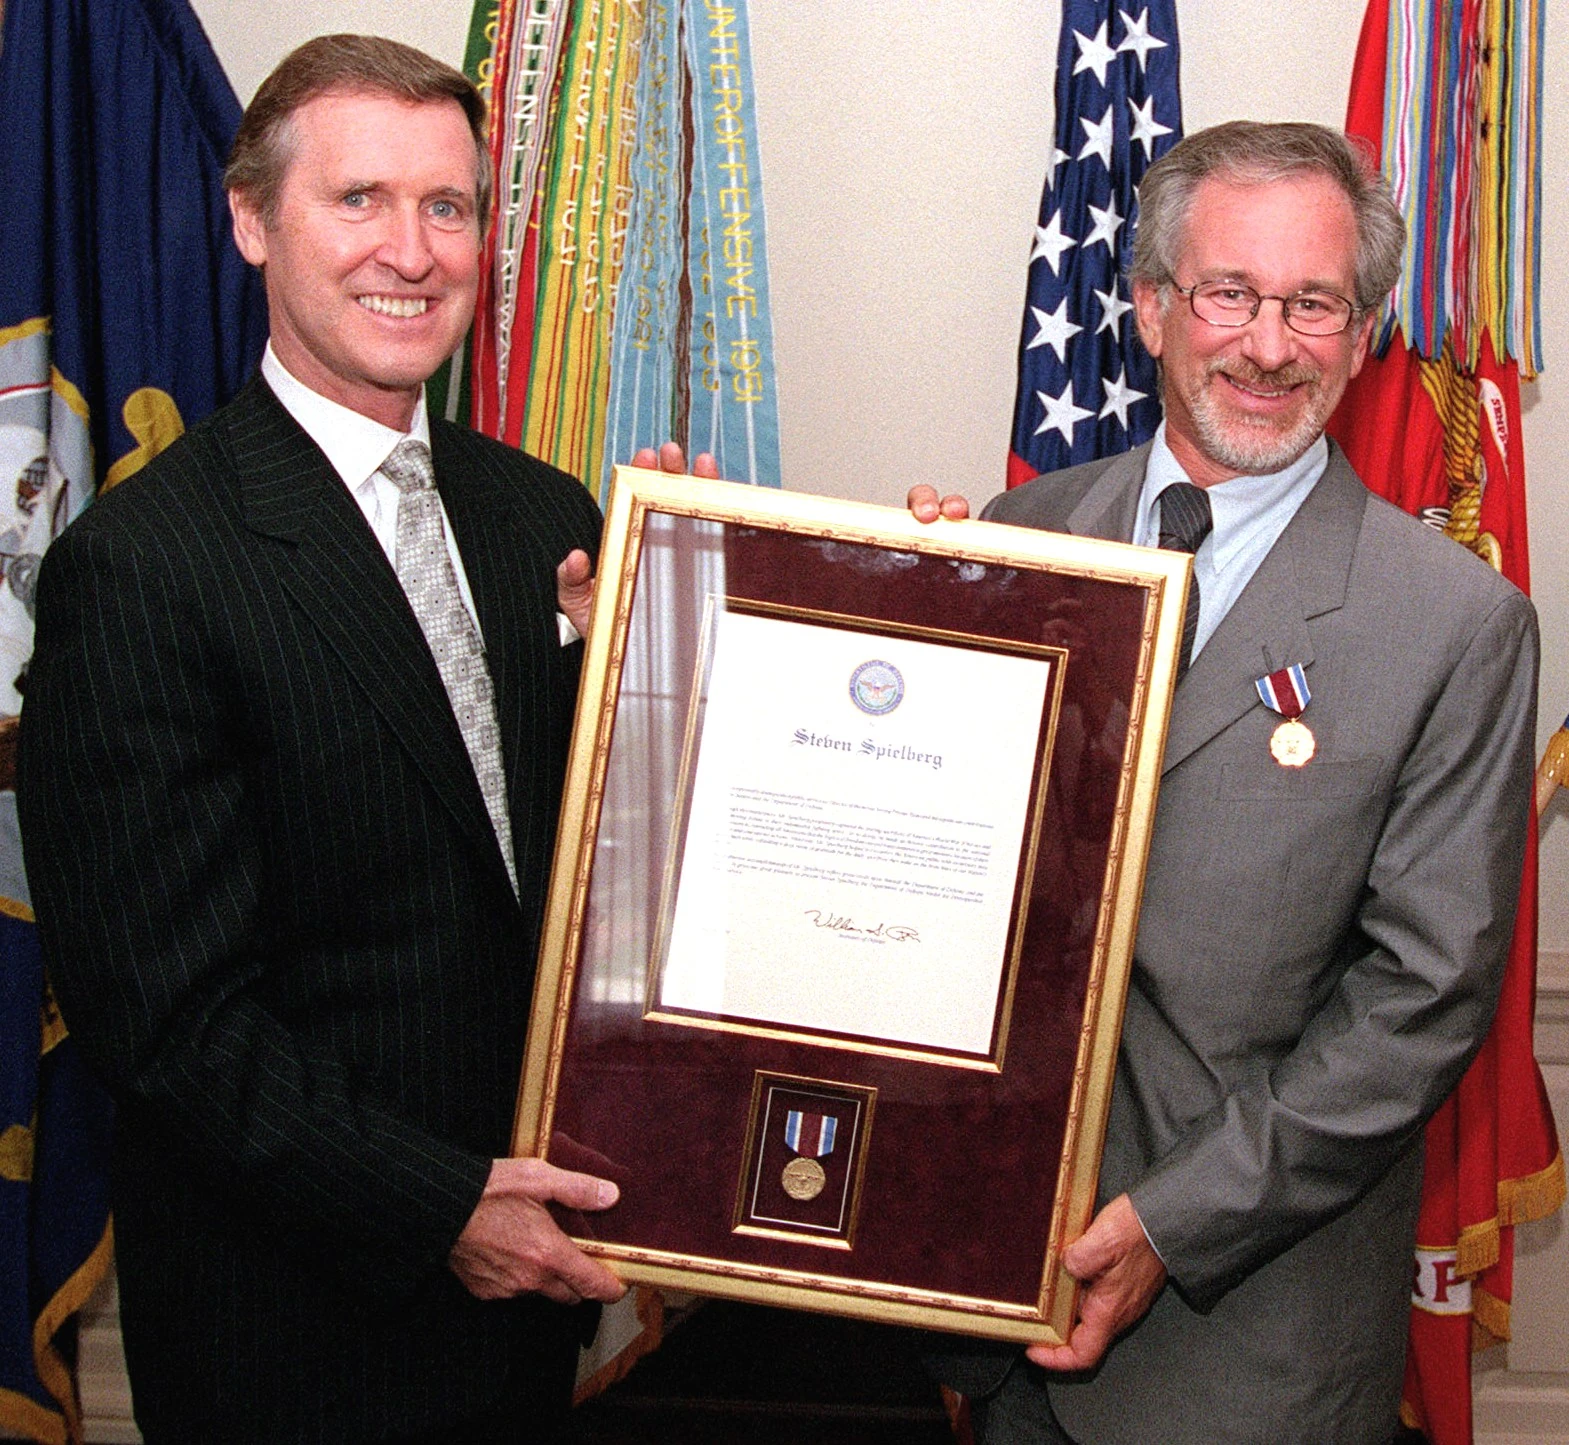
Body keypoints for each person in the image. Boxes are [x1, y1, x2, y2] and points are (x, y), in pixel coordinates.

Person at [16, 34, 705, 1444]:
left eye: (448, 206)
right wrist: (440, 1208)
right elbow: (168, 1020)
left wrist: (721, 634)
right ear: (251, 220)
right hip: (300, 1331)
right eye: (359, 200)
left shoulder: (548, 517)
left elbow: (581, 878)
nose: (412, 251)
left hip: (530, 1311)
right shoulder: (141, 567)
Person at [909, 121, 1537, 1443]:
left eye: (1314, 303)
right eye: (1230, 293)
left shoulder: (1453, 624)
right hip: (989, 1309)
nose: (1268, 345)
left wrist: (1170, 1225)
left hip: (1244, 1357)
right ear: (1150, 307)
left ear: (1361, 336)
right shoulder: (1019, 536)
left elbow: (1421, 1003)